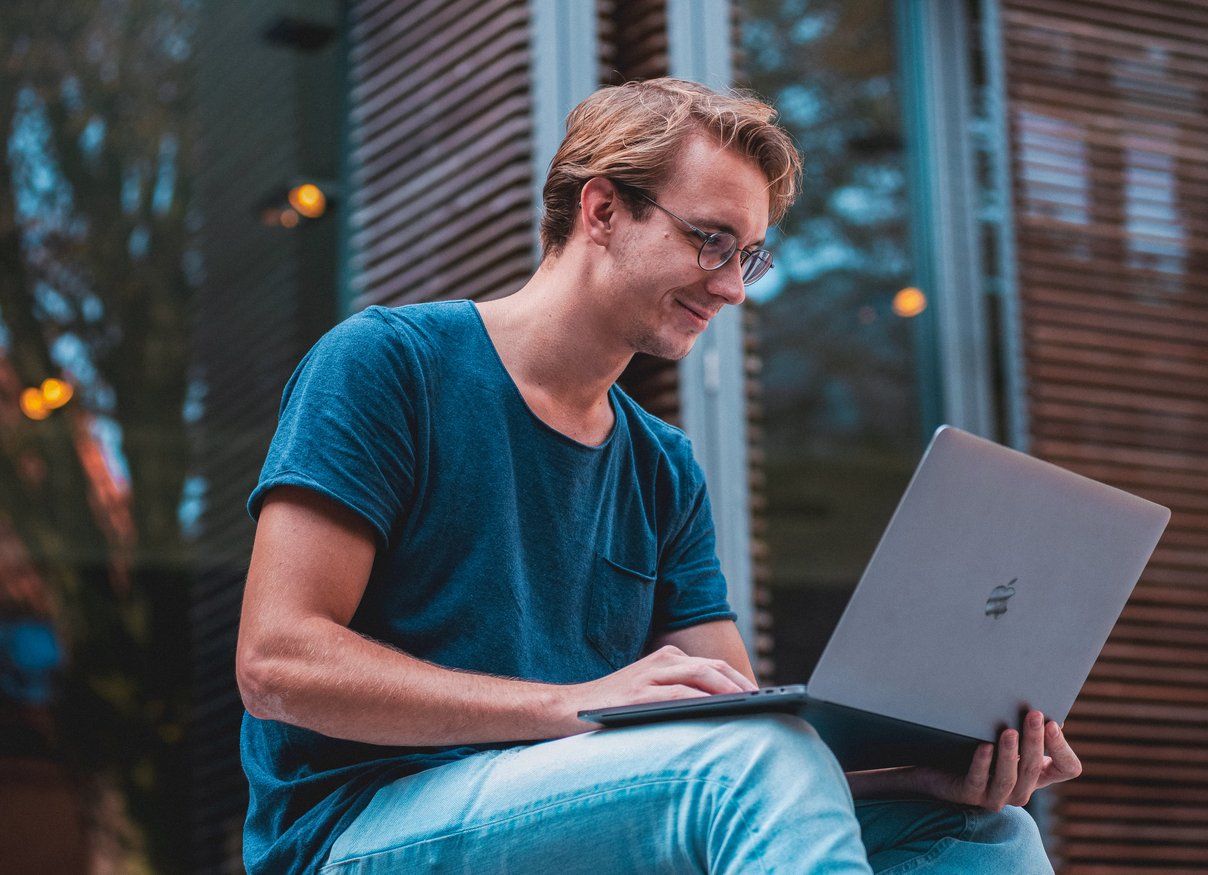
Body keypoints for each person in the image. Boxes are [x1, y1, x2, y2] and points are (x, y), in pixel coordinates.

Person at [235, 77, 1081, 874]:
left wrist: (914, 774)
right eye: (712, 240)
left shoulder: (661, 464)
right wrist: (577, 703)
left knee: (983, 834)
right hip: (359, 828)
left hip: (578, 811)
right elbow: (276, 664)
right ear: (601, 209)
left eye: (750, 256)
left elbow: (748, 743)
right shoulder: (389, 366)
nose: (732, 288)